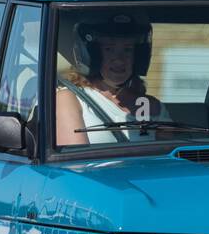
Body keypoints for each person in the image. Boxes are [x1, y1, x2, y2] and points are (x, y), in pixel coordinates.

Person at [55, 11, 170, 146]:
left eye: (128, 50)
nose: (119, 60)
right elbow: (76, 163)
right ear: (91, 53)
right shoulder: (70, 99)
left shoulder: (152, 107)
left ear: (138, 56)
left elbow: (170, 161)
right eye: (109, 49)